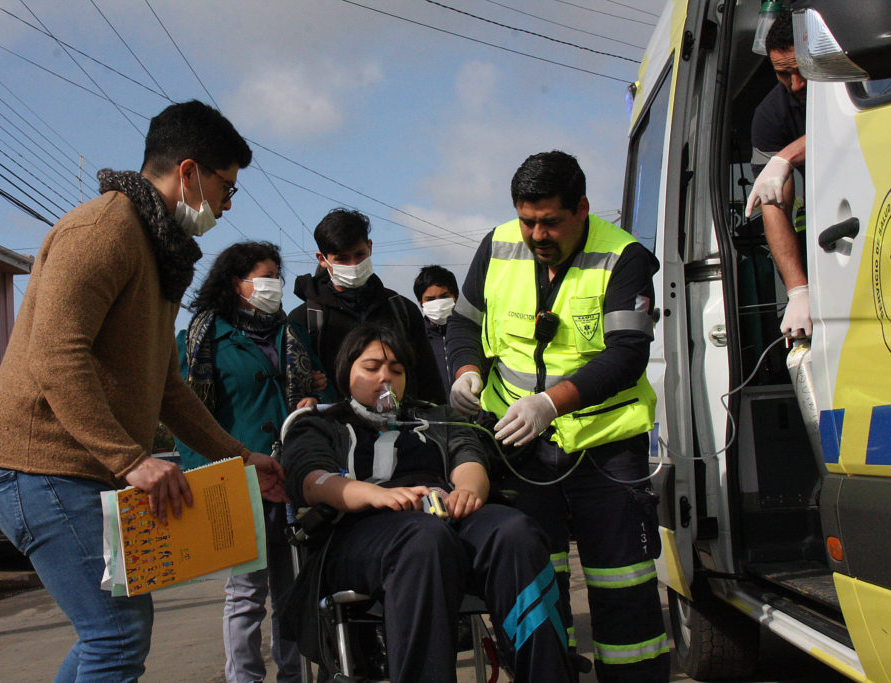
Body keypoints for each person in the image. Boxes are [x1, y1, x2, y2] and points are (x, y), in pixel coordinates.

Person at [0, 100, 287, 682]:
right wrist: (132, 460)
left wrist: (240, 457)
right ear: (188, 172)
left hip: (81, 469)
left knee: (108, 636)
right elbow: (56, 355)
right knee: (116, 634)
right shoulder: (102, 231)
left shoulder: (161, 251)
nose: (227, 205)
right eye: (226, 187)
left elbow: (167, 386)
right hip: (38, 466)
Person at [446, 151, 669, 681]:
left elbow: (627, 354)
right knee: (536, 588)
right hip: (518, 449)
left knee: (623, 585)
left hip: (605, 449)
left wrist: (550, 403)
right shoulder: (497, 245)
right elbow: (463, 324)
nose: (537, 235)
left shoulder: (624, 257)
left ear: (582, 209)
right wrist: (466, 371)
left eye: (550, 222)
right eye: (527, 221)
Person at [280, 323, 572, 683]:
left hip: (444, 515)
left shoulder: (437, 417)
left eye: (397, 370)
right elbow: (311, 480)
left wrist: (468, 491)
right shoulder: (319, 423)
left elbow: (469, 458)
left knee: (514, 532)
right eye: (371, 367)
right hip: (360, 534)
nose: (385, 378)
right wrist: (377, 495)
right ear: (345, 371)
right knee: (424, 539)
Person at [175, 240, 334, 683]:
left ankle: (294, 675)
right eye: (264, 278)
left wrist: (318, 390)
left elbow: (324, 393)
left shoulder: (292, 334)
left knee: (292, 590)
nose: (273, 286)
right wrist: (214, 476)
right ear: (235, 283)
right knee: (245, 595)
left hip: (294, 479)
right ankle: (244, 678)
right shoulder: (201, 339)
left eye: (276, 277)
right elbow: (186, 419)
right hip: (239, 481)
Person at [288, 208, 445, 403]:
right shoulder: (304, 320)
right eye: (342, 259)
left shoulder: (402, 310)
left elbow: (429, 383)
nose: (353, 265)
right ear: (322, 259)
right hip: (333, 420)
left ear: (370, 247)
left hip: (402, 420)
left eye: (359, 254)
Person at [746, 10, 810, 339]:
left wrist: (787, 156)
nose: (796, 84)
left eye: (802, 69)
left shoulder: (854, 79)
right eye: (784, 74)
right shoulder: (770, 116)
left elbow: (856, 127)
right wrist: (798, 290)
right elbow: (772, 202)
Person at [413, 265, 459, 395]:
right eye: (430, 299)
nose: (438, 304)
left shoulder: (470, 332)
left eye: (444, 297)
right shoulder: (415, 338)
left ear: (455, 297)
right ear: (421, 303)